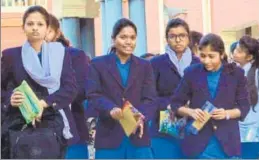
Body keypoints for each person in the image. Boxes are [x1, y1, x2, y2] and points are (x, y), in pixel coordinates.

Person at [1, 6, 78, 158]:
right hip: (18, 125)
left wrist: (44, 103)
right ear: (23, 27)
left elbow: (70, 89)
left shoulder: (60, 54)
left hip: (52, 122)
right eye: (30, 24)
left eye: (40, 24)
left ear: (47, 28)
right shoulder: (11, 55)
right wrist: (10, 98)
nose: (35, 28)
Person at [86, 18, 157, 159]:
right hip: (109, 137)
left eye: (132, 38)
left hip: (138, 136)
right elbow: (93, 94)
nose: (128, 42)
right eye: (123, 37)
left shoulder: (145, 66)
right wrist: (110, 108)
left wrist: (141, 117)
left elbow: (150, 98)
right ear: (113, 39)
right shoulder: (98, 64)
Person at [170, 33, 250, 159]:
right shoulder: (191, 73)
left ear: (222, 54)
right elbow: (175, 103)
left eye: (211, 56)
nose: (206, 61)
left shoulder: (236, 74)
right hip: (198, 143)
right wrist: (191, 112)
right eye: (202, 56)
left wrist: (227, 114)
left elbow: (244, 106)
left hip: (227, 143)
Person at [149, 18, 200, 159]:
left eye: (182, 36)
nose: (178, 40)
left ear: (188, 38)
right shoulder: (156, 63)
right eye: (173, 36)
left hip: (192, 126)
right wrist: (173, 105)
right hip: (164, 128)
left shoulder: (198, 64)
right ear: (167, 39)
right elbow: (149, 96)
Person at [45, 14, 90, 159]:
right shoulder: (26, 59)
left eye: (47, 30)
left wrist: (49, 99)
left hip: (72, 132)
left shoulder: (74, 55)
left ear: (57, 32)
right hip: (39, 135)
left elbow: (82, 90)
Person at [233, 35, 259, 159]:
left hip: (258, 129)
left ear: (249, 57)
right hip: (240, 126)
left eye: (239, 51)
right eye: (235, 49)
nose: (234, 52)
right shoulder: (235, 72)